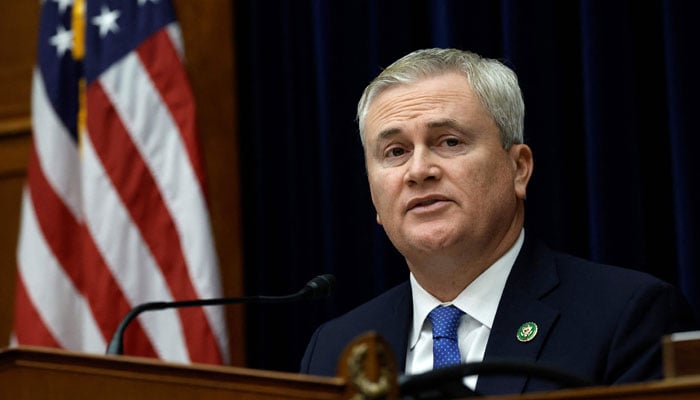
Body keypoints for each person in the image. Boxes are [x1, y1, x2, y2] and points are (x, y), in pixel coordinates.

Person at [299, 48, 697, 396]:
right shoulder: (335, 348)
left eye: (449, 142)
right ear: (373, 195)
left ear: (518, 168)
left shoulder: (627, 318)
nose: (418, 170)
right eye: (395, 151)